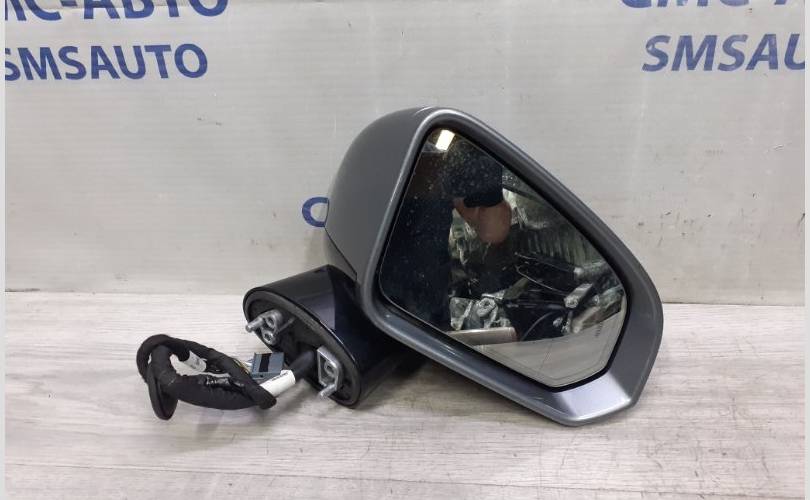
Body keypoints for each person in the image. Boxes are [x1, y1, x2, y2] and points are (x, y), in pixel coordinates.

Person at [380, 132, 512, 330]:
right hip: (375, 307)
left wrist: (490, 193)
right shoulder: (372, 163)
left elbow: (493, 232)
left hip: (430, 314)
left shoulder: (439, 162)